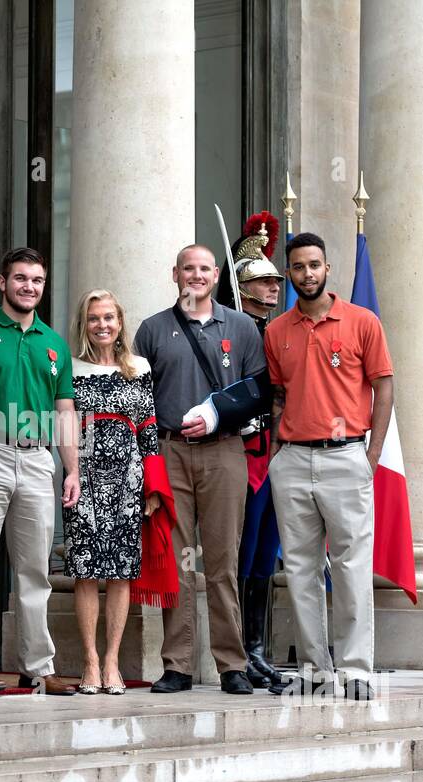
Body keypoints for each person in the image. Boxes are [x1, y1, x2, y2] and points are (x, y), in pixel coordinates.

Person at [263, 232, 394, 700]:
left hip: (347, 456)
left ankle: (357, 669)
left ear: (327, 268)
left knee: (352, 566)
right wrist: (279, 450)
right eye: (298, 267)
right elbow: (278, 394)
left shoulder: (362, 322)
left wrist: (371, 454)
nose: (307, 274)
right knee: (299, 569)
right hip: (293, 460)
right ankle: (314, 669)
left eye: (314, 265)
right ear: (291, 273)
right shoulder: (276, 331)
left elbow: (384, 387)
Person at [133, 245, 264, 695]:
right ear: (175, 274)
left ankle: (232, 664)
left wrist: (218, 415)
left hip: (225, 451)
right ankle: (178, 664)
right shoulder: (152, 330)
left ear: (215, 276)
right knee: (178, 560)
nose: (196, 275)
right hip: (169, 452)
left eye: (204, 269)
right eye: (188, 268)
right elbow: (139, 400)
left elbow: (258, 391)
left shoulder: (243, 327)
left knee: (224, 560)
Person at [0, 247, 80, 696]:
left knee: (35, 569)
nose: (29, 287)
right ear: (2, 283)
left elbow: (65, 409)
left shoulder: (54, 342)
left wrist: (72, 469)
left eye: (37, 280)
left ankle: (37, 666)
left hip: (37, 457)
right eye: (21, 279)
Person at [63, 289, 174, 694]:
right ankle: (89, 662)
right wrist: (69, 471)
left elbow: (148, 428)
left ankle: (113, 662)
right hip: (84, 477)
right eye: (94, 318)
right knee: (86, 572)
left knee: (122, 573)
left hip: (129, 480)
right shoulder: (69, 367)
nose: (103, 325)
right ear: (84, 324)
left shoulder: (138, 367)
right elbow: (63, 424)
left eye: (109, 317)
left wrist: (154, 486)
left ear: (120, 321)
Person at [229, 212, 286, 689]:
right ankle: (237, 653)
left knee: (266, 553)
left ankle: (257, 647)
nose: (273, 287)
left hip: (277, 453)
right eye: (264, 281)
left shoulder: (278, 331)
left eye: (274, 281)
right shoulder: (233, 332)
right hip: (243, 452)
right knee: (243, 554)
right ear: (243, 285)